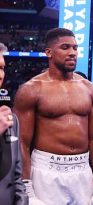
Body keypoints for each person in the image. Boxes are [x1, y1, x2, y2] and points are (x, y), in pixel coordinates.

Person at [13, 28, 93, 205]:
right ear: (49, 52)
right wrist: (26, 185)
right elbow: (22, 141)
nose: (72, 52)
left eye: (75, 47)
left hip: (82, 170)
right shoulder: (31, 89)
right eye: (65, 47)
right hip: (45, 171)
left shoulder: (89, 88)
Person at [0, 43, 28, 204]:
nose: (0, 74)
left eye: (2, 68)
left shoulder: (10, 118)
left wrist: (22, 200)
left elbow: (16, 176)